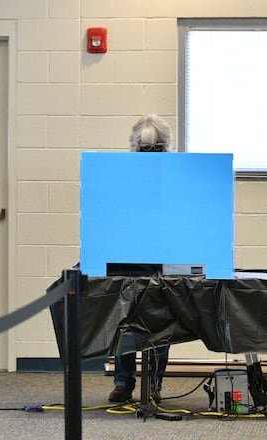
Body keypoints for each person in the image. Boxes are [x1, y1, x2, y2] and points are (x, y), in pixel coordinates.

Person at [108, 114, 174, 404]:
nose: (150, 154)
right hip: (125, 258)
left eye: (155, 147)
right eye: (145, 148)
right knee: (124, 324)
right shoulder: (119, 176)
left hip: (163, 258)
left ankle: (154, 384)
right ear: (135, 147)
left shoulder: (175, 177)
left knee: (160, 324)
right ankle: (123, 382)